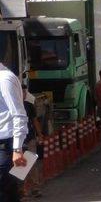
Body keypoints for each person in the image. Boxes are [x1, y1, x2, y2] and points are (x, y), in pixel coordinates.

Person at [0, 62, 28, 201]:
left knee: (5, 192)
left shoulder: (4, 79)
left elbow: (19, 115)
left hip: (6, 147)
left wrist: (17, 149)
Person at [22, 85, 42, 198]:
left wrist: (40, 135)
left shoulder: (29, 106)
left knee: (31, 163)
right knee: (20, 165)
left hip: (30, 138)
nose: (24, 94)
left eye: (25, 92)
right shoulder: (13, 106)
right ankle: (22, 190)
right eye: (22, 92)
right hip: (18, 140)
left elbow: (35, 121)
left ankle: (35, 188)